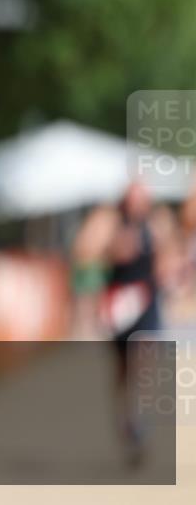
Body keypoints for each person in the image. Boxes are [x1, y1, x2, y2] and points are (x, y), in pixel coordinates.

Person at [71, 180, 182, 466]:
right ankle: (127, 419)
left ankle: (140, 421)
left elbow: (172, 255)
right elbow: (83, 251)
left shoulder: (158, 220)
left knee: (144, 361)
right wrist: (112, 248)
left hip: (147, 301)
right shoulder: (108, 220)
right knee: (122, 370)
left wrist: (169, 270)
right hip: (118, 306)